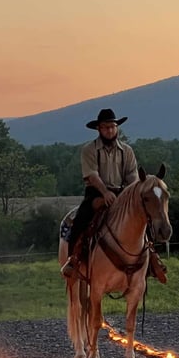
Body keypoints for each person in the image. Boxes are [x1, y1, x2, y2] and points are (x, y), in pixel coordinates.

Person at [61, 108, 139, 277]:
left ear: (117, 127)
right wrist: (105, 192)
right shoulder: (89, 150)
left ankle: (149, 258)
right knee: (82, 217)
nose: (110, 130)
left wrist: (129, 192)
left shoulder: (127, 151)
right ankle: (73, 259)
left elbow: (132, 175)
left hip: (122, 193)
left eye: (112, 126)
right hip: (96, 193)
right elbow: (92, 175)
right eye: (105, 127)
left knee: (143, 218)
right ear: (98, 129)